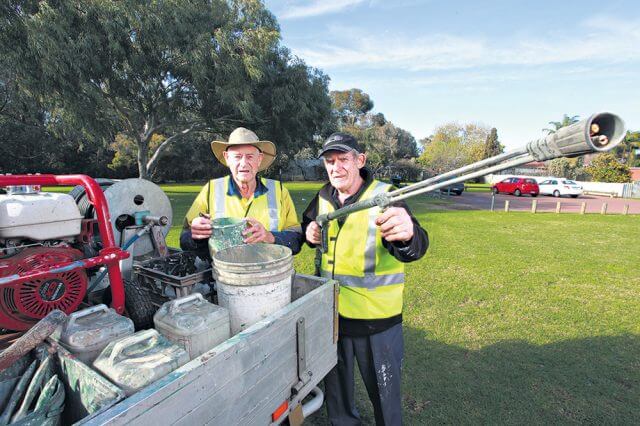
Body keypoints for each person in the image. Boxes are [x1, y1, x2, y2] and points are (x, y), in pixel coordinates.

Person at [302, 132, 428, 425]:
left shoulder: (385, 197)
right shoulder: (323, 196)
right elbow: (310, 226)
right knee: (338, 398)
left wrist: (408, 234)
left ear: (360, 160)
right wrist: (309, 234)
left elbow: (415, 246)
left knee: (386, 400)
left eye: (343, 159)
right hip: (333, 319)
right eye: (330, 161)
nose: (336, 167)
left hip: (377, 323)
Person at [181, 127, 302, 257]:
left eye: (250, 157)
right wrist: (196, 236)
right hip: (224, 274)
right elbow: (184, 241)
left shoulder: (279, 191)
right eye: (237, 157)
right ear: (227, 158)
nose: (243, 163)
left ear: (259, 158)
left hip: (270, 274)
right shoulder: (211, 190)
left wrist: (270, 236)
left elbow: (296, 239)